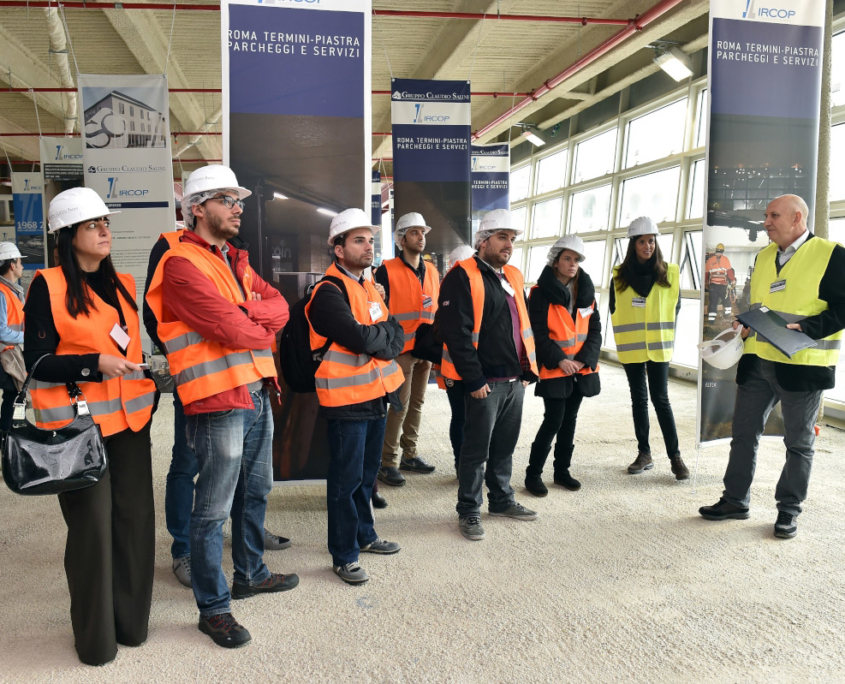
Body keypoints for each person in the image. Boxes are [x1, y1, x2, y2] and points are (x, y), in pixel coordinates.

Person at [146, 164, 298, 649]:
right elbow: (233, 330)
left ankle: (250, 572)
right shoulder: (179, 263)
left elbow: (282, 308)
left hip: (255, 390)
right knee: (211, 509)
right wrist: (253, 320)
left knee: (256, 491)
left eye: (238, 200)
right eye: (227, 200)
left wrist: (248, 313)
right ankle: (213, 609)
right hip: (217, 399)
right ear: (197, 207)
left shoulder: (234, 259)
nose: (238, 208)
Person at [24, 187, 158, 666]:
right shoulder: (47, 285)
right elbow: (37, 362)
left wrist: (151, 388)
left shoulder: (122, 281)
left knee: (136, 524)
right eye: (92, 225)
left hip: (131, 424)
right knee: (93, 531)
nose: (104, 231)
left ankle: (132, 626)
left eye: (105, 222)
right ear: (68, 236)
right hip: (78, 430)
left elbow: (133, 350)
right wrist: (92, 363)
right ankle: (96, 641)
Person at [699, 194, 845, 539]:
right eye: (766, 215)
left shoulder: (831, 254)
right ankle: (735, 500)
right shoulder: (764, 256)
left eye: (773, 215)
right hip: (758, 363)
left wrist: (807, 328)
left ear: (797, 218)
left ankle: (788, 510)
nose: (765, 221)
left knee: (798, 443)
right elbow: (759, 304)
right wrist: (745, 322)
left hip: (802, 367)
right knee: (743, 436)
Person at [305, 208, 405, 584]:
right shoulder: (328, 292)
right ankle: (343, 554)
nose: (368, 247)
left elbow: (395, 333)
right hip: (346, 402)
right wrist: (384, 340)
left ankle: (365, 535)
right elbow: (365, 338)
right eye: (359, 240)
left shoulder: (367, 286)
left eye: (370, 240)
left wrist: (384, 340)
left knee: (365, 478)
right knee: (345, 482)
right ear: (338, 248)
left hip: (376, 395)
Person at [439, 208, 539, 541]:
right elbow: (456, 333)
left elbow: (522, 324)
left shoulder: (513, 275)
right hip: (485, 381)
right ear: (483, 241)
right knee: (475, 450)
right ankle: (468, 510)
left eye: (511, 239)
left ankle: (501, 500)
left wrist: (527, 370)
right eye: (502, 238)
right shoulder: (461, 276)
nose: (508, 244)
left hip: (514, 380)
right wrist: (474, 379)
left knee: (505, 447)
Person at [609, 216, 688, 481]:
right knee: (638, 400)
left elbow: (676, 307)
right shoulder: (619, 275)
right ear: (633, 244)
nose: (647, 246)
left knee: (661, 399)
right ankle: (644, 453)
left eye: (651, 241)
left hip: (658, 346)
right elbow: (613, 307)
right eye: (642, 241)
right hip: (632, 347)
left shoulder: (670, 272)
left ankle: (675, 457)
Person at [525, 235, 601, 496]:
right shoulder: (538, 294)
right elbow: (537, 333)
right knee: (553, 420)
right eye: (567, 258)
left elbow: (595, 331)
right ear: (555, 262)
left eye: (576, 259)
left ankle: (561, 472)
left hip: (580, 368)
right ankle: (533, 474)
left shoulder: (587, 293)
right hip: (555, 367)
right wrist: (560, 359)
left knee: (570, 420)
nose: (572, 264)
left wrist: (581, 360)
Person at [375, 211, 440, 486]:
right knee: (398, 406)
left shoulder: (433, 270)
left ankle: (409, 454)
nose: (421, 237)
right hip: (401, 351)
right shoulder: (386, 270)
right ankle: (387, 461)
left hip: (426, 349)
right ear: (401, 239)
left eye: (423, 232)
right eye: (414, 232)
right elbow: (380, 311)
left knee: (418, 403)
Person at [0, 242, 25, 431]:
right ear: (12, 265)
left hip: (10, 352)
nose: (22, 266)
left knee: (14, 396)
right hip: (4, 355)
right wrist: (27, 337)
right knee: (13, 396)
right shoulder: (2, 292)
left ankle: (8, 436)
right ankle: (6, 437)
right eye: (20, 262)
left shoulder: (11, 291)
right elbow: (1, 330)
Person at [705, 243, 735, 323]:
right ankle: (727, 316)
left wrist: (706, 283)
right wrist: (733, 280)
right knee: (726, 300)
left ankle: (711, 321)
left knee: (713, 302)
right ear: (722, 251)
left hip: (713, 286)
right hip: (723, 286)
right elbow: (729, 272)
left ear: (716, 250)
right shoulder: (725, 259)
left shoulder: (710, 260)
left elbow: (706, 274)